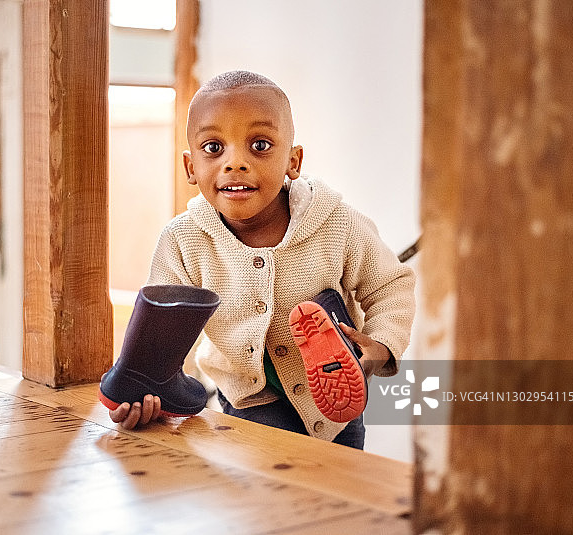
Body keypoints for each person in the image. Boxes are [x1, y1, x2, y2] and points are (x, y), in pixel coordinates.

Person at [108, 70, 415, 448]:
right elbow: (161, 332)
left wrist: (381, 345)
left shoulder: (336, 223)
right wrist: (143, 392)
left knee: (341, 495)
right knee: (265, 497)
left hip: (336, 406)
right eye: (213, 148)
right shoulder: (184, 240)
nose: (235, 162)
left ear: (293, 160)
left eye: (260, 145)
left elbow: (390, 286)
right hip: (249, 402)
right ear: (191, 167)